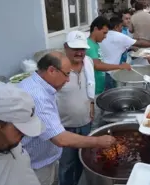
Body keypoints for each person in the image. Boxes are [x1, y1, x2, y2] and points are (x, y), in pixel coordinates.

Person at [18, 52, 116, 185]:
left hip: (41, 157)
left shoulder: (36, 84)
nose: (68, 79)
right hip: (36, 166)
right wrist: (98, 141)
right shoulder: (38, 96)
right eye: (67, 74)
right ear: (52, 70)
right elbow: (60, 138)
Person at [56, 31, 94, 185]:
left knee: (82, 160)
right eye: (75, 48)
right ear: (65, 47)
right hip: (64, 127)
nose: (80, 53)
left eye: (82, 49)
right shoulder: (57, 70)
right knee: (66, 164)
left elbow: (90, 86)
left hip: (86, 123)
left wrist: (91, 104)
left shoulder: (88, 63)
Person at [86, 16, 131, 129]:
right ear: (96, 29)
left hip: (100, 88)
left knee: (99, 119)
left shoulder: (96, 44)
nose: (105, 37)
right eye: (104, 33)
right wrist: (119, 66)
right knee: (94, 123)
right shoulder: (90, 45)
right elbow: (97, 65)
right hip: (93, 91)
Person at [100, 16, 150, 89]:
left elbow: (116, 47)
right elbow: (139, 43)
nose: (121, 28)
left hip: (103, 71)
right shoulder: (119, 36)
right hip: (112, 72)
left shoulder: (104, 35)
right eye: (121, 26)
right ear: (116, 27)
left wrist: (131, 47)